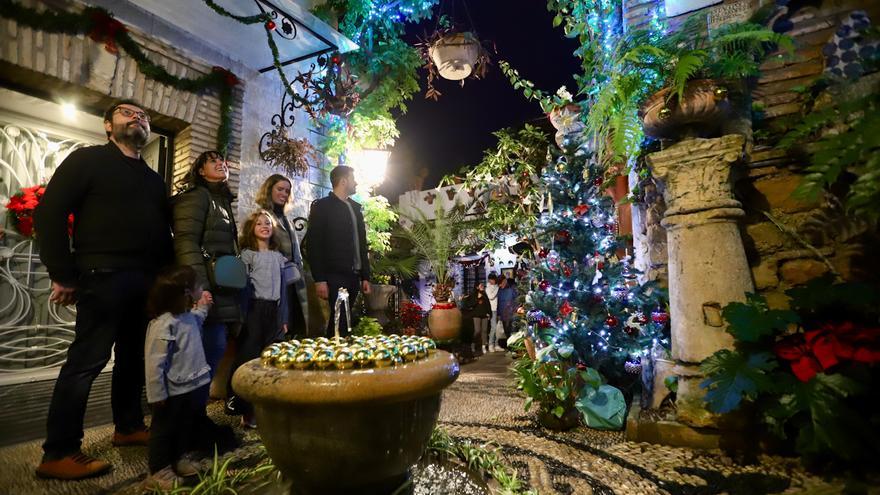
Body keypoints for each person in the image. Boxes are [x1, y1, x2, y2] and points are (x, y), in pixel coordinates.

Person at [33, 99, 173, 479]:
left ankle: (127, 427)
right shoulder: (88, 160)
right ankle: (58, 452)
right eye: (128, 113)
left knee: (131, 360)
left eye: (143, 115)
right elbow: (50, 212)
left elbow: (163, 233)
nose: (139, 117)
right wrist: (63, 273)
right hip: (102, 275)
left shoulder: (152, 178)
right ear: (108, 126)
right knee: (86, 363)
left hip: (145, 281)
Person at [143, 266, 237, 490]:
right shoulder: (164, 324)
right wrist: (157, 393)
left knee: (184, 424)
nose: (201, 288)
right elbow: (154, 363)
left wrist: (204, 305)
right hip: (172, 390)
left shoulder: (186, 316)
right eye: (197, 287)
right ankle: (158, 469)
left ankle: (178, 457)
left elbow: (197, 318)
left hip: (191, 386)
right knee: (164, 429)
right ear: (186, 293)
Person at [171, 151, 241, 391]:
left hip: (221, 290)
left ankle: (195, 418)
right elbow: (185, 242)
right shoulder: (197, 196)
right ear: (200, 171)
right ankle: (184, 419)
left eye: (223, 161)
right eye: (213, 161)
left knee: (213, 352)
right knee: (200, 356)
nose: (221, 164)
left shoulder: (221, 200)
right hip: (205, 291)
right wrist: (198, 288)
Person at [228, 210, 288, 428]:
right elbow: (241, 288)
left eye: (268, 223)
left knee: (270, 357)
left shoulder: (278, 257)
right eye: (259, 223)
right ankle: (244, 407)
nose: (265, 226)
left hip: (274, 310)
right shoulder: (247, 255)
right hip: (255, 310)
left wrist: (283, 317)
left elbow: (283, 289)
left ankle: (267, 406)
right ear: (251, 229)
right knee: (249, 355)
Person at [303, 166, 371, 337]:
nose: (356, 183)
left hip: (353, 276)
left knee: (345, 322)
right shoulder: (323, 207)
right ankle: (331, 358)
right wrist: (319, 279)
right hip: (334, 275)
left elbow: (361, 244)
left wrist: (365, 276)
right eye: (353, 179)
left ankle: (340, 357)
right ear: (343, 181)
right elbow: (314, 244)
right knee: (338, 321)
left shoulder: (355, 209)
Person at [254, 174, 308, 337]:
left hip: (293, 282)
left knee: (293, 328)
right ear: (269, 190)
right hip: (273, 283)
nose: (284, 194)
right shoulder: (262, 218)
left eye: (287, 190)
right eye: (280, 189)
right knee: (275, 331)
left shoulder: (286, 219)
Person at [468, 282, 491, 356]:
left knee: (484, 331)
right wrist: (477, 298)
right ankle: (473, 344)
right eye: (480, 285)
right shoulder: (473, 294)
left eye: (482, 285)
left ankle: (483, 346)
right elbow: (471, 304)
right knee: (477, 331)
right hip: (476, 315)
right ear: (477, 287)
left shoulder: (484, 294)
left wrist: (489, 313)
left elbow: (488, 304)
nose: (482, 287)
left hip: (484, 315)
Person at [497, 276, 518, 344]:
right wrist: (499, 314)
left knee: (512, 331)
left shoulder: (512, 289)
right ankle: (510, 347)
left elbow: (517, 299)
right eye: (500, 283)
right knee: (507, 331)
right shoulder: (499, 290)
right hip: (503, 314)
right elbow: (499, 302)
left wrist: (515, 310)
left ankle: (513, 348)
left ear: (505, 281)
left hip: (511, 313)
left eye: (502, 282)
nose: (501, 284)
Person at [485, 273, 500, 352]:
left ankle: (496, 344)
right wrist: (497, 289)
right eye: (492, 280)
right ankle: (491, 344)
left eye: (494, 280)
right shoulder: (488, 288)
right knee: (493, 327)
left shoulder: (496, 286)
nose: (493, 281)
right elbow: (491, 297)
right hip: (492, 309)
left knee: (498, 328)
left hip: (498, 309)